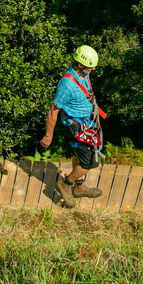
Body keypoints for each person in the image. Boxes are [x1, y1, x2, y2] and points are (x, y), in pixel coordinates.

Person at [41, 45, 105, 208]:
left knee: (79, 155)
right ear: (81, 65)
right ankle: (66, 184)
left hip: (86, 124)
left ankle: (79, 187)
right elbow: (53, 111)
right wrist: (49, 135)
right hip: (77, 127)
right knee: (89, 162)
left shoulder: (82, 74)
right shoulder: (67, 84)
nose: (94, 68)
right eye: (91, 66)